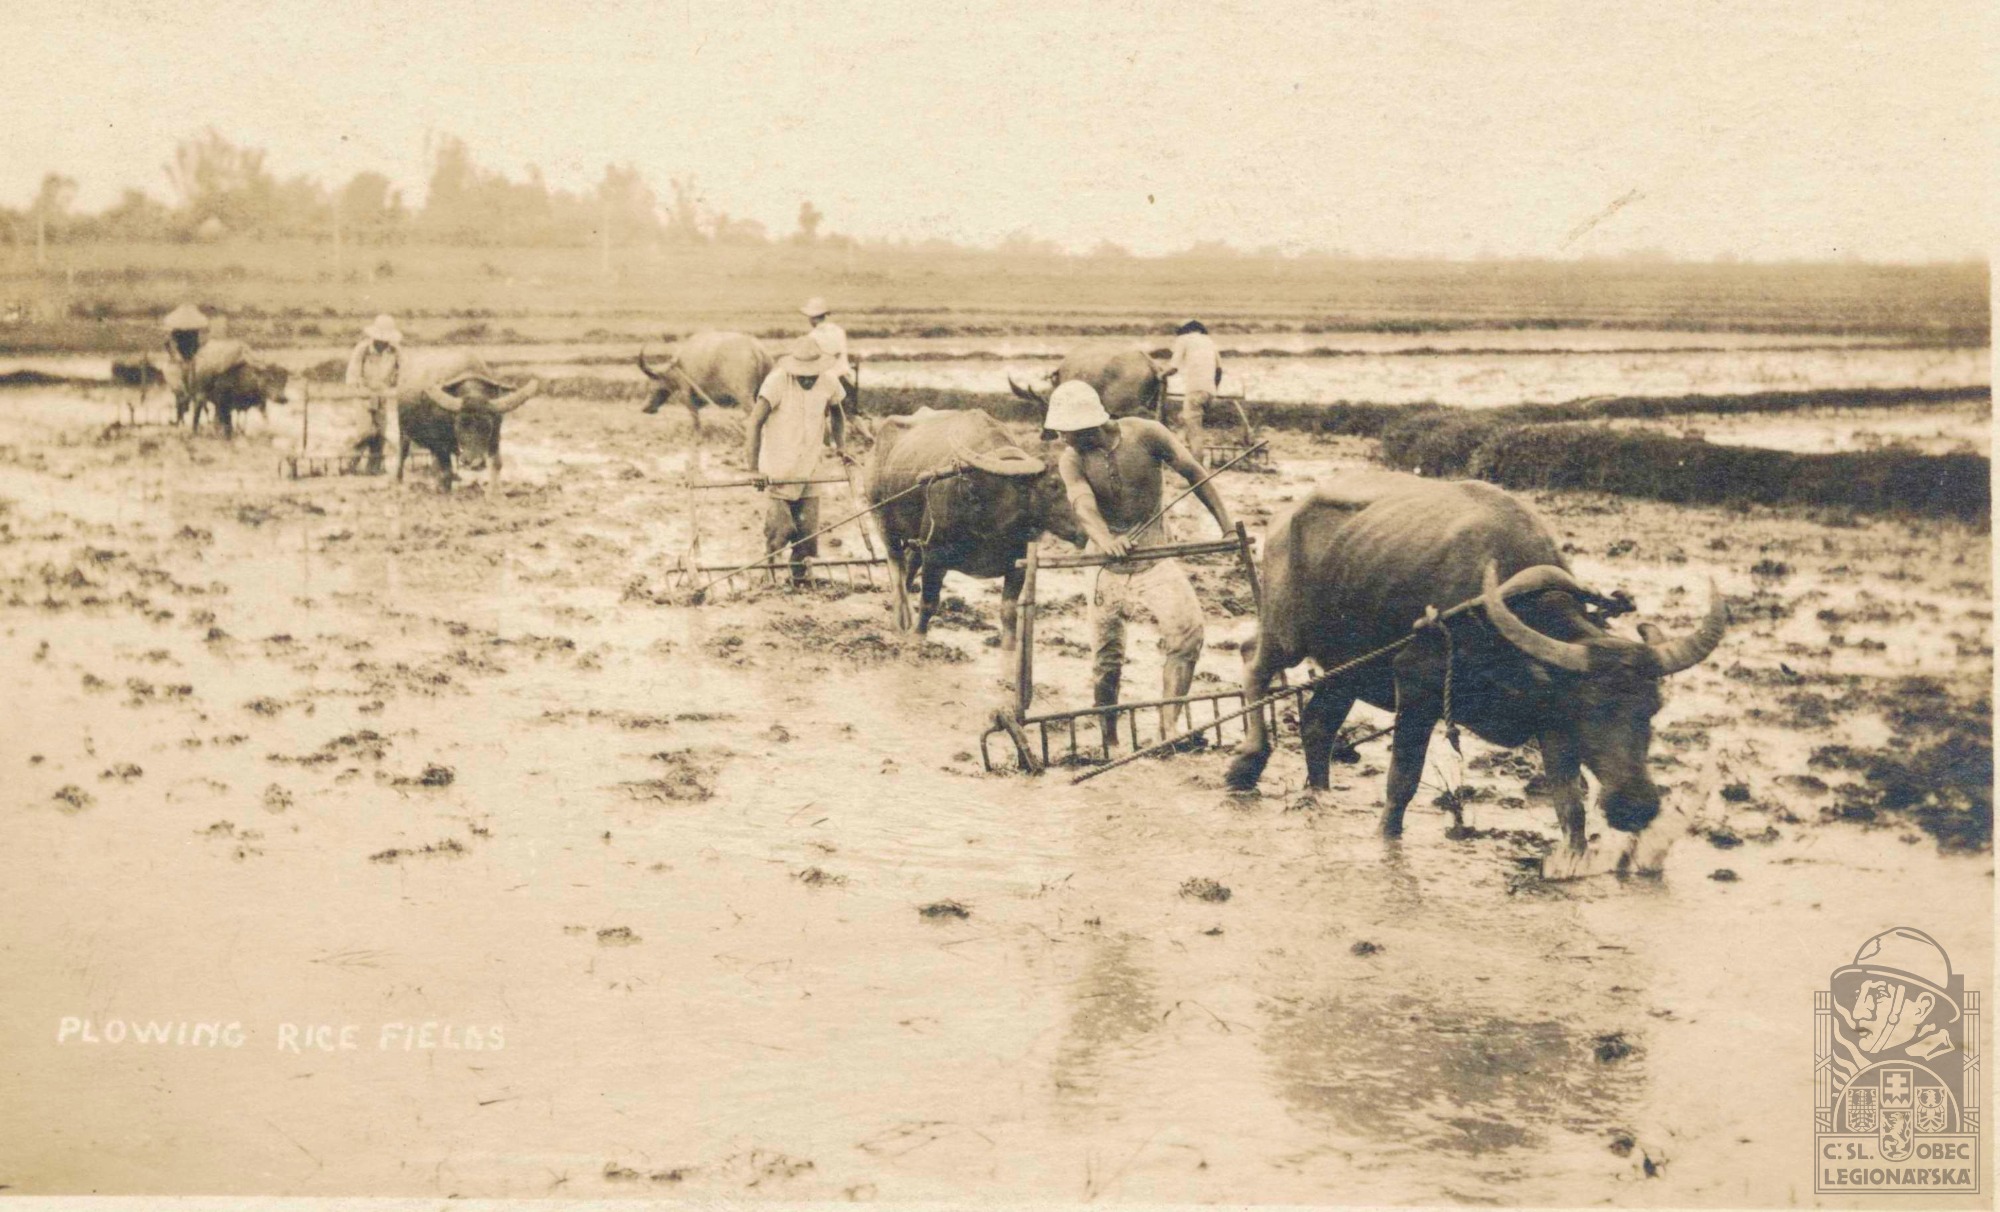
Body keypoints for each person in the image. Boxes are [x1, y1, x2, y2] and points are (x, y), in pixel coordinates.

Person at [1047, 380, 1233, 742]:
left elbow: (1195, 474)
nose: (1060, 438)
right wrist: (1105, 540)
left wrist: (1226, 527)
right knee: (1107, 658)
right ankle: (1109, 737)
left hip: (1155, 556)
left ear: (1089, 426)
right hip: (1105, 565)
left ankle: (1168, 727)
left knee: (1187, 635)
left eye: (1066, 431)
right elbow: (1083, 505)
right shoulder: (1072, 458)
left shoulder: (1148, 434)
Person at [744, 336, 852, 584]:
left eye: (812, 375)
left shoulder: (829, 381)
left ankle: (799, 579)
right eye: (802, 375)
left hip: (811, 466)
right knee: (780, 530)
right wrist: (753, 469)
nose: (807, 379)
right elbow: (754, 422)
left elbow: (838, 414)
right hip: (778, 467)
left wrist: (841, 446)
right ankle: (768, 575)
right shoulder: (777, 382)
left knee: (807, 534)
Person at [343, 314, 403, 474]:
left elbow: (402, 373)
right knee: (366, 432)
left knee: (380, 435)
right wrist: (361, 390)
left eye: (386, 339)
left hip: (383, 396)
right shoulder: (363, 350)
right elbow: (352, 374)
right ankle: (349, 464)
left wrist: (396, 388)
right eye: (380, 339)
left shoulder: (395, 352)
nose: (383, 342)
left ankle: (374, 468)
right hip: (363, 396)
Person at [1160, 319, 1222, 456]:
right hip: (1209, 392)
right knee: (1185, 420)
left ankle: (1197, 465)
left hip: (1195, 390)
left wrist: (1160, 375)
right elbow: (1219, 370)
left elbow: (1173, 367)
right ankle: (1182, 451)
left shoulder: (1183, 339)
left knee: (1195, 434)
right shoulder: (1209, 341)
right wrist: (1213, 390)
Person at [800, 296, 857, 406]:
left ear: (812, 317)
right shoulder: (839, 331)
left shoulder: (812, 337)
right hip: (845, 381)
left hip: (825, 385)